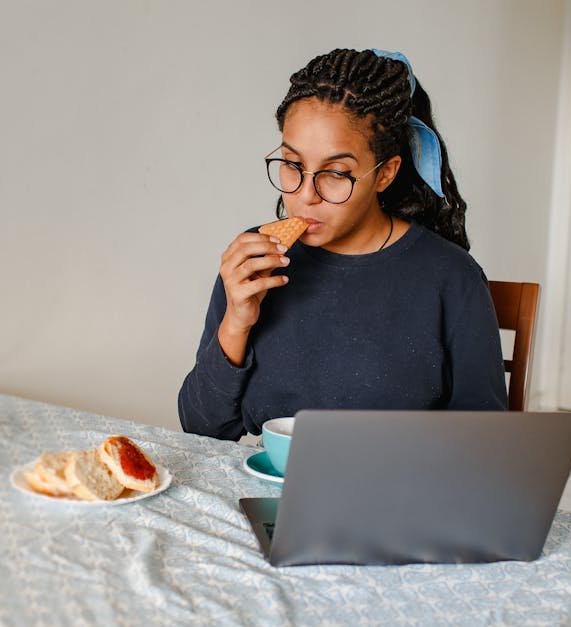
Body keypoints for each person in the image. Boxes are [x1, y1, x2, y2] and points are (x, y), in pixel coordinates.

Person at [178, 48, 505, 441]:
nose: (305, 195)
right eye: (292, 164)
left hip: (391, 497)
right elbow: (199, 429)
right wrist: (236, 321)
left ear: (385, 173)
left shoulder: (452, 278)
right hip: (261, 493)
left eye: (335, 173)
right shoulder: (258, 261)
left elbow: (483, 445)